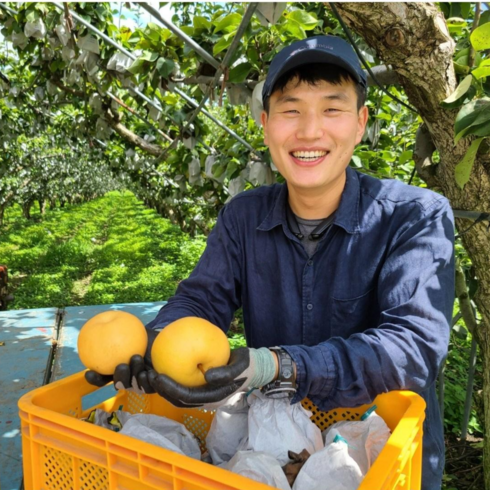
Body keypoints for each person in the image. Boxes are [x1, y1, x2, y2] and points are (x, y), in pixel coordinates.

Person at [86, 36, 455, 490]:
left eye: (332, 108)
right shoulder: (245, 217)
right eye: (291, 109)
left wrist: (277, 366)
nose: (309, 131)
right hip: (277, 450)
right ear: (266, 125)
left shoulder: (414, 216)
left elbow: (414, 347)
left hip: (383, 461)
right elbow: (200, 300)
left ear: (360, 123)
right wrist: (155, 344)